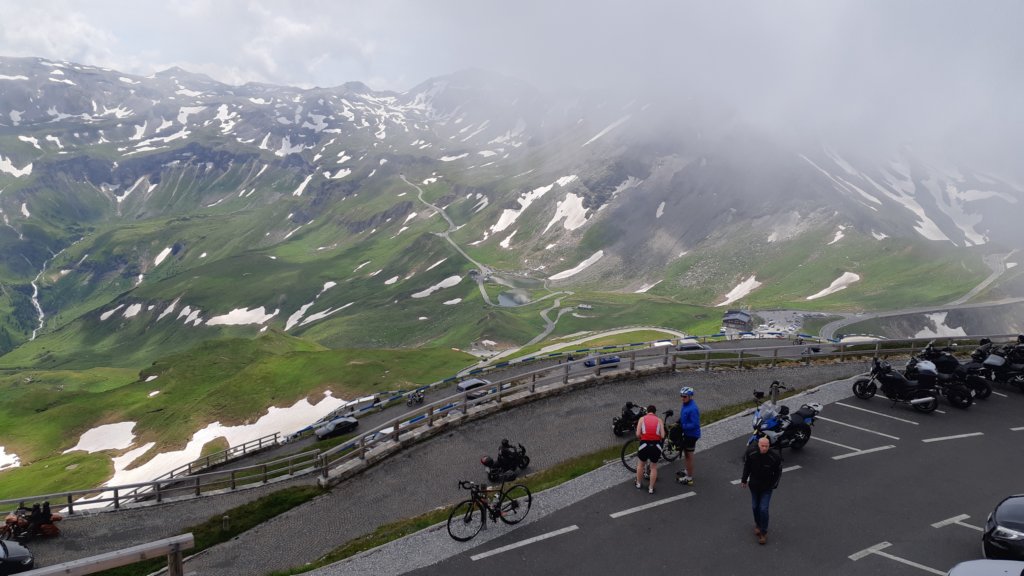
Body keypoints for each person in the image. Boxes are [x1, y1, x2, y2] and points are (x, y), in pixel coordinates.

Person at [741, 437, 783, 545]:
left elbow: (778, 472)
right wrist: (744, 480)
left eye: (766, 446)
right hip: (754, 486)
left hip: (766, 487)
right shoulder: (751, 453)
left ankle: (763, 532)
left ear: (769, 446)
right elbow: (747, 467)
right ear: (758, 445)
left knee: (763, 509)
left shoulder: (774, 457)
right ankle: (758, 524)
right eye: (762, 446)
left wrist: (773, 484)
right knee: (755, 507)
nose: (764, 448)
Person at [635, 404, 664, 494]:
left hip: (644, 444)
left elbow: (637, 434)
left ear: (647, 411)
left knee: (641, 465)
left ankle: (638, 483)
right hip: (656, 446)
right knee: (653, 467)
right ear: (655, 412)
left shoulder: (642, 419)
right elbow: (663, 435)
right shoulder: (659, 420)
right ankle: (651, 488)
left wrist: (642, 437)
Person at [675, 386, 701, 486]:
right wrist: (679, 421)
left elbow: (695, 424)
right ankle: (687, 471)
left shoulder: (693, 408)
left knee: (689, 457)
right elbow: (684, 417)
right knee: (686, 454)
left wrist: (683, 426)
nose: (682, 398)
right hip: (687, 434)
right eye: (681, 396)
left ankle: (689, 478)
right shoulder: (686, 404)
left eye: (685, 396)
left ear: (690, 396)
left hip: (692, 436)